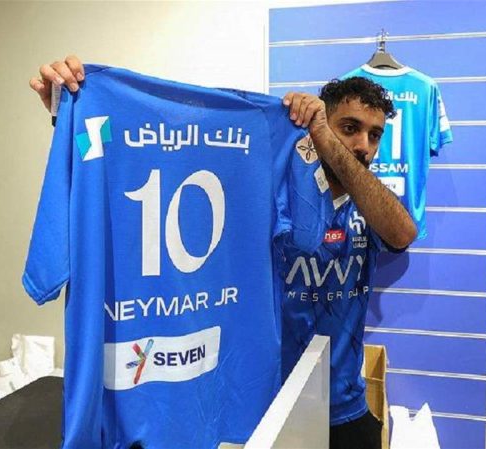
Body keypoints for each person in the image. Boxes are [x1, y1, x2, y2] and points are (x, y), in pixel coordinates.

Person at [31, 56, 416, 449]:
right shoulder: (269, 184)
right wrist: (74, 114)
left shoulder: (370, 205)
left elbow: (402, 234)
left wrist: (330, 143)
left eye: (374, 135)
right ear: (321, 125)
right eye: (349, 129)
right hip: (268, 404)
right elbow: (172, 153)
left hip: (344, 405)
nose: (363, 145)